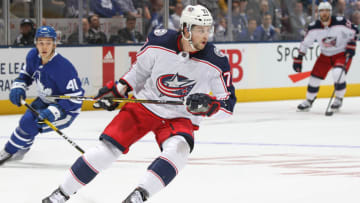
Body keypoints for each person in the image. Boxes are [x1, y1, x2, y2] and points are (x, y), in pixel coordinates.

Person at [42, 4, 236, 203]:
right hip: (145, 105)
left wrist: (209, 106)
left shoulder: (216, 61)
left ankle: (139, 195)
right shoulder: (160, 42)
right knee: (106, 151)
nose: (206, 35)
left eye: (207, 30)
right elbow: (139, 72)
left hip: (180, 116)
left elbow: (228, 106)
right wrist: (119, 89)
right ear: (186, 29)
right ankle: (61, 193)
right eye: (200, 30)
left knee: (179, 150)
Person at [0, 26, 84, 165]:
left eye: (48, 43)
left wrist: (54, 112)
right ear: (36, 43)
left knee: (28, 124)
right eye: (41, 42)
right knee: (26, 121)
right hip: (44, 100)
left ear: (55, 44)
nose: (44, 47)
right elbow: (26, 75)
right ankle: (24, 144)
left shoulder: (64, 67)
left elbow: (75, 98)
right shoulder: (33, 56)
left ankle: (9, 149)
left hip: (66, 110)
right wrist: (19, 86)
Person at [293, 2, 358, 112]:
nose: (324, 13)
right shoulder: (314, 27)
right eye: (322, 11)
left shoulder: (340, 22)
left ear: (330, 12)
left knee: (337, 73)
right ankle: (309, 101)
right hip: (325, 55)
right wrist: (299, 58)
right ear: (318, 13)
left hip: (341, 53)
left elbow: (355, 30)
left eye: (326, 11)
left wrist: (352, 44)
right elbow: (305, 43)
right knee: (314, 78)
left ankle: (338, 99)